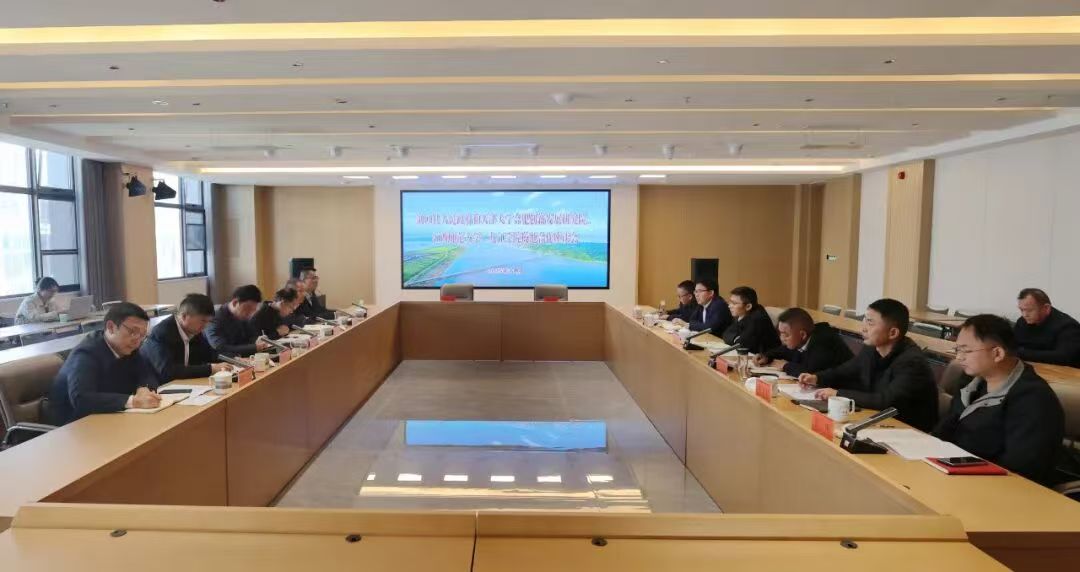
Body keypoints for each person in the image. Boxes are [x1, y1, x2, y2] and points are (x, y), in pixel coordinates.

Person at [934, 314, 1064, 485]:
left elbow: (1021, 469)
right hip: (954, 472)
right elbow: (945, 429)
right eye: (957, 350)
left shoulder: (1034, 399)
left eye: (966, 350)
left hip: (997, 486)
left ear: (997, 353)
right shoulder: (971, 381)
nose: (959, 357)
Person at [798, 298, 939, 432]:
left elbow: (886, 401)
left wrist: (838, 394)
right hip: (879, 421)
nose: (863, 328)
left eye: (870, 323)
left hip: (909, 431)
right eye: (864, 320)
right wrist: (817, 378)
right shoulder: (872, 349)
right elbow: (846, 370)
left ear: (893, 333)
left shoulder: (912, 362)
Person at [47, 302, 161, 425]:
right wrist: (134, 401)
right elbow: (81, 399)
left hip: (111, 417)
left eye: (142, 335)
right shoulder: (86, 353)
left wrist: (143, 388)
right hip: (75, 425)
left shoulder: (128, 348)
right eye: (133, 331)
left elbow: (148, 374)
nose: (137, 340)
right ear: (111, 327)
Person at [140, 293, 231, 383]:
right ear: (184, 316)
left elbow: (210, 354)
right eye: (203, 320)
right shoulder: (161, 333)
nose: (205, 326)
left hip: (181, 384)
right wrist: (211, 369)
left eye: (208, 321)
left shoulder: (194, 330)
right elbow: (168, 371)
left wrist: (233, 360)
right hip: (155, 386)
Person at [755, 307, 854, 377]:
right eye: (780, 333)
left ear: (802, 334)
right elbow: (784, 350)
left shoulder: (823, 341)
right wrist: (766, 356)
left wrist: (785, 366)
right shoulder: (802, 339)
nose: (782, 338)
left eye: (786, 335)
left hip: (847, 391)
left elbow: (811, 373)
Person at [1013, 288, 1080, 367]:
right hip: (1031, 366)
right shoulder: (1022, 321)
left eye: (1029, 310)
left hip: (1062, 371)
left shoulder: (1068, 326)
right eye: (1021, 310)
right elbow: (1012, 345)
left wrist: (1022, 353)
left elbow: (1063, 357)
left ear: (1046, 308)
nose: (1024, 315)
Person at [205, 285, 270, 357]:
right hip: (222, 361)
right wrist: (254, 347)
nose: (251, 314)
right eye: (248, 308)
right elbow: (221, 347)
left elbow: (251, 336)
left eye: (253, 310)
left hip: (244, 358)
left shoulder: (245, 316)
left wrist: (258, 340)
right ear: (235, 302)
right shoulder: (214, 318)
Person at [721, 286, 781, 354]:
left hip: (768, 357)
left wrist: (736, 339)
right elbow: (725, 334)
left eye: (734, 303)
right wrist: (736, 338)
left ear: (748, 306)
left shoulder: (758, 318)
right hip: (751, 354)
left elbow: (741, 344)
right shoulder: (741, 313)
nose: (729, 306)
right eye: (730, 302)